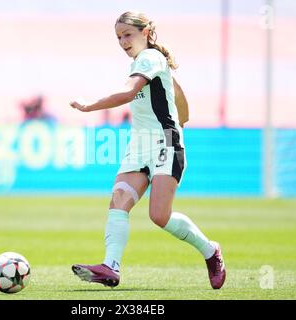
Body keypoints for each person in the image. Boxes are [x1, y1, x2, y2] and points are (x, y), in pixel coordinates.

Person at [69, 11, 226, 290]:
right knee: (119, 199)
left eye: (127, 35)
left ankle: (210, 250)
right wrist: (184, 120)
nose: (122, 42)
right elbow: (177, 93)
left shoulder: (150, 58)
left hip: (166, 143)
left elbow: (129, 93)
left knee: (159, 216)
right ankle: (110, 267)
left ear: (146, 32)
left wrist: (88, 106)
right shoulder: (150, 62)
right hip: (140, 144)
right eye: (118, 37)